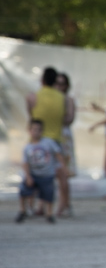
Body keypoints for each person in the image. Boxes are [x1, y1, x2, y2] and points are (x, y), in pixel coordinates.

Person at [26, 67, 69, 213]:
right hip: (56, 140)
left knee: (36, 174)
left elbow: (31, 117)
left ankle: (35, 206)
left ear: (42, 80)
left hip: (37, 141)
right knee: (61, 175)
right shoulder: (63, 98)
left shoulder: (33, 97)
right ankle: (63, 205)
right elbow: (67, 119)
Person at [18, 119, 63, 224]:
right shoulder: (27, 147)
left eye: (38, 130)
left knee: (49, 195)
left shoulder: (48, 143)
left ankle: (49, 214)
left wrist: (62, 167)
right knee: (23, 191)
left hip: (47, 175)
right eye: (34, 129)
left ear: (42, 131)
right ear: (29, 131)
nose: (36, 132)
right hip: (34, 175)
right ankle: (22, 211)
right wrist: (28, 176)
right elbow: (25, 163)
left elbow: (58, 154)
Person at [54, 71, 76, 217]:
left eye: (62, 83)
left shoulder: (68, 100)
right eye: (57, 83)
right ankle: (65, 203)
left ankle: (64, 204)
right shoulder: (55, 98)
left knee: (64, 173)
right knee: (58, 173)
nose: (59, 86)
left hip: (64, 138)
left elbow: (70, 119)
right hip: (55, 136)